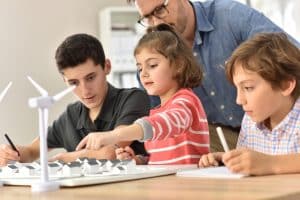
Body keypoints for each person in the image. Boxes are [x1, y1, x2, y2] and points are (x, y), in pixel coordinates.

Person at [127, 0, 300, 152]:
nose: (156, 22)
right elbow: (156, 121)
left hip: (271, 127)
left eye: (159, 10)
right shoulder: (152, 62)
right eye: (147, 17)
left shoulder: (230, 16)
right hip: (218, 137)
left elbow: (291, 60)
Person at [0, 33, 150, 166]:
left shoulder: (133, 99)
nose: (85, 90)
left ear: (107, 66)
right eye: (73, 83)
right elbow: (32, 151)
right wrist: (12, 154)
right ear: (64, 80)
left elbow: (111, 153)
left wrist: (63, 158)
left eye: (90, 78)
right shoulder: (71, 115)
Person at [76, 24, 209, 165]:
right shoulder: (157, 112)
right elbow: (163, 160)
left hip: (187, 184)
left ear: (179, 65)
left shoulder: (185, 102)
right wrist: (138, 160)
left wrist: (113, 135)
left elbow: (165, 123)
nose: (143, 74)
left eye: (152, 65)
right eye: (139, 68)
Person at [199, 32, 300, 175]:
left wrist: (270, 164)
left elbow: (266, 165)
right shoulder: (250, 121)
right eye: (237, 88)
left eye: (248, 88)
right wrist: (230, 160)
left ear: (285, 85)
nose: (239, 100)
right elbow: (254, 165)